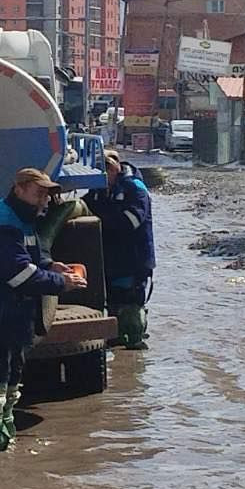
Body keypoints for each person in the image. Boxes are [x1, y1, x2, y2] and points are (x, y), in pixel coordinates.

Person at [0, 167, 88, 451]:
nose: (43, 202)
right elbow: (18, 274)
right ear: (19, 189)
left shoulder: (19, 217)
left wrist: (50, 266)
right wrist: (61, 282)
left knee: (11, 377)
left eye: (47, 196)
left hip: (7, 315)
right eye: (39, 194)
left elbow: (28, 257)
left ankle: (4, 437)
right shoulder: (4, 222)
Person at [85, 149, 157, 350]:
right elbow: (85, 206)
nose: (102, 174)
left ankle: (135, 344)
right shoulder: (98, 191)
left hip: (134, 259)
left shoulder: (134, 188)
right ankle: (116, 339)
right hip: (112, 259)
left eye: (106, 169)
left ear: (115, 167)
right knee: (114, 301)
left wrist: (100, 222)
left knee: (131, 305)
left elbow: (131, 220)